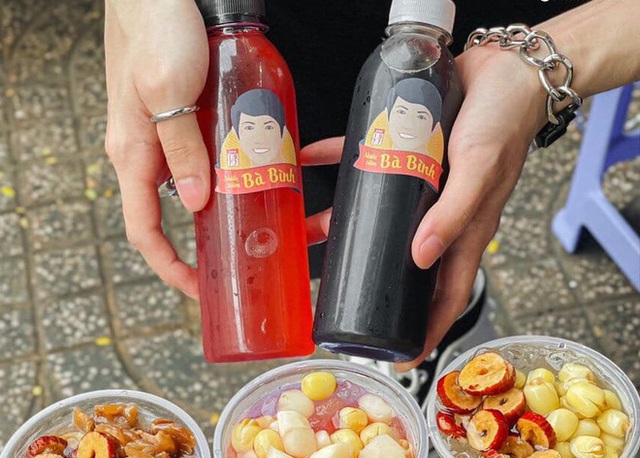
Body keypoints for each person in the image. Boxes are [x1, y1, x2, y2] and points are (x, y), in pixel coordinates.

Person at [104, 0, 640, 366]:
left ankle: (439, 343)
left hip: (478, 41)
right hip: (281, 31)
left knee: (435, 214)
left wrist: (551, 58)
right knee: (302, 216)